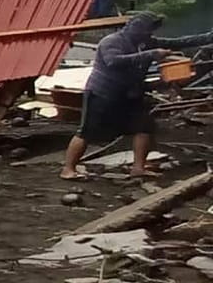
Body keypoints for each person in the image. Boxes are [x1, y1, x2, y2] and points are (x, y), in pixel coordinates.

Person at [63, 11, 213, 179]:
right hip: (103, 93)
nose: (150, 34)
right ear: (136, 29)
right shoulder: (111, 42)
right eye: (147, 30)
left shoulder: (145, 42)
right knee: (86, 132)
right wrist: (152, 54)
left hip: (131, 93)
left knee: (144, 127)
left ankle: (138, 167)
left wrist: (208, 37)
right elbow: (114, 61)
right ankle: (68, 169)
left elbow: (179, 42)